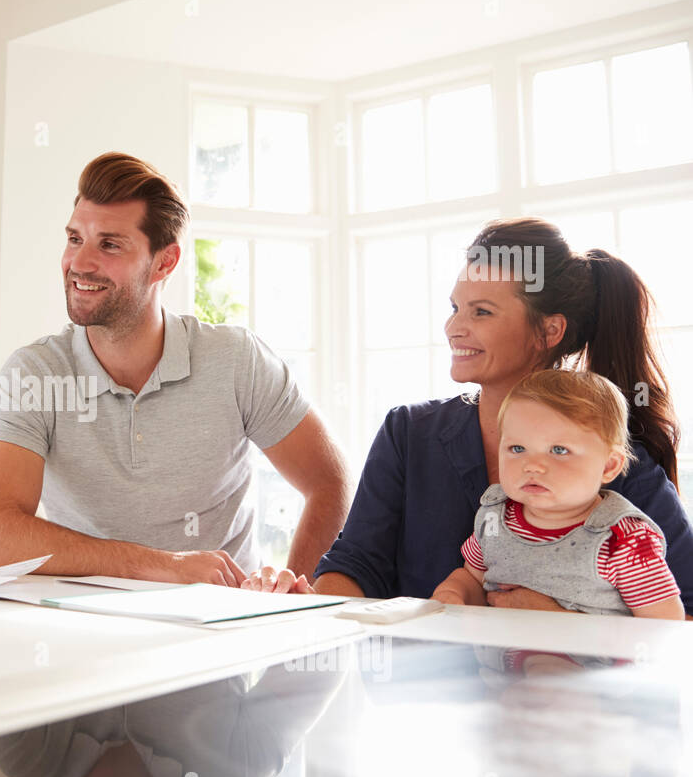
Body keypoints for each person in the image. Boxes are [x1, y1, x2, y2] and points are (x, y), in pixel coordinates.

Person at [247, 217, 692, 614]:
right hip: (419, 695)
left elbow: (684, 613)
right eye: (455, 307)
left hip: (572, 702)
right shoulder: (407, 433)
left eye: (481, 311)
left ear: (549, 331)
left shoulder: (614, 461)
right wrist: (309, 612)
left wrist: (561, 622)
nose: (454, 327)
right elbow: (359, 566)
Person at [0, 151, 350, 586]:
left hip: (219, 629)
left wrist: (291, 597)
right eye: (75, 239)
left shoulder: (237, 359)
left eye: (109, 244)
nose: (80, 263)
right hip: (81, 630)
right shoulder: (35, 373)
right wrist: (165, 565)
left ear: (164, 262)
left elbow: (328, 482)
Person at [432, 369, 683, 619]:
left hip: (595, 657)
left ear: (608, 466)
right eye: (517, 448)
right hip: (495, 657)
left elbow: (663, 629)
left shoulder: (625, 541)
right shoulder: (494, 516)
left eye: (559, 450)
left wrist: (559, 621)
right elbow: (474, 578)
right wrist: (454, 594)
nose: (532, 465)